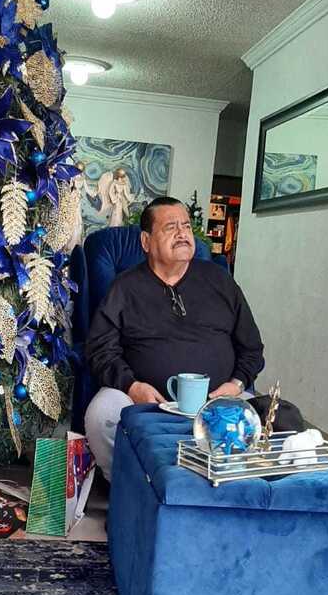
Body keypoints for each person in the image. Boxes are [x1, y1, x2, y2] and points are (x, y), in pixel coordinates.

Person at [84, 196, 265, 479]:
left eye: (186, 226)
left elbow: (252, 348)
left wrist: (236, 383)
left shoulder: (220, 281)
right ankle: (124, 486)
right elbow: (100, 349)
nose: (182, 233)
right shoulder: (125, 287)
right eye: (170, 227)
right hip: (143, 398)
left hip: (219, 400)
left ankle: (219, 491)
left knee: (265, 420)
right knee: (101, 413)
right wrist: (131, 386)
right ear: (146, 242)